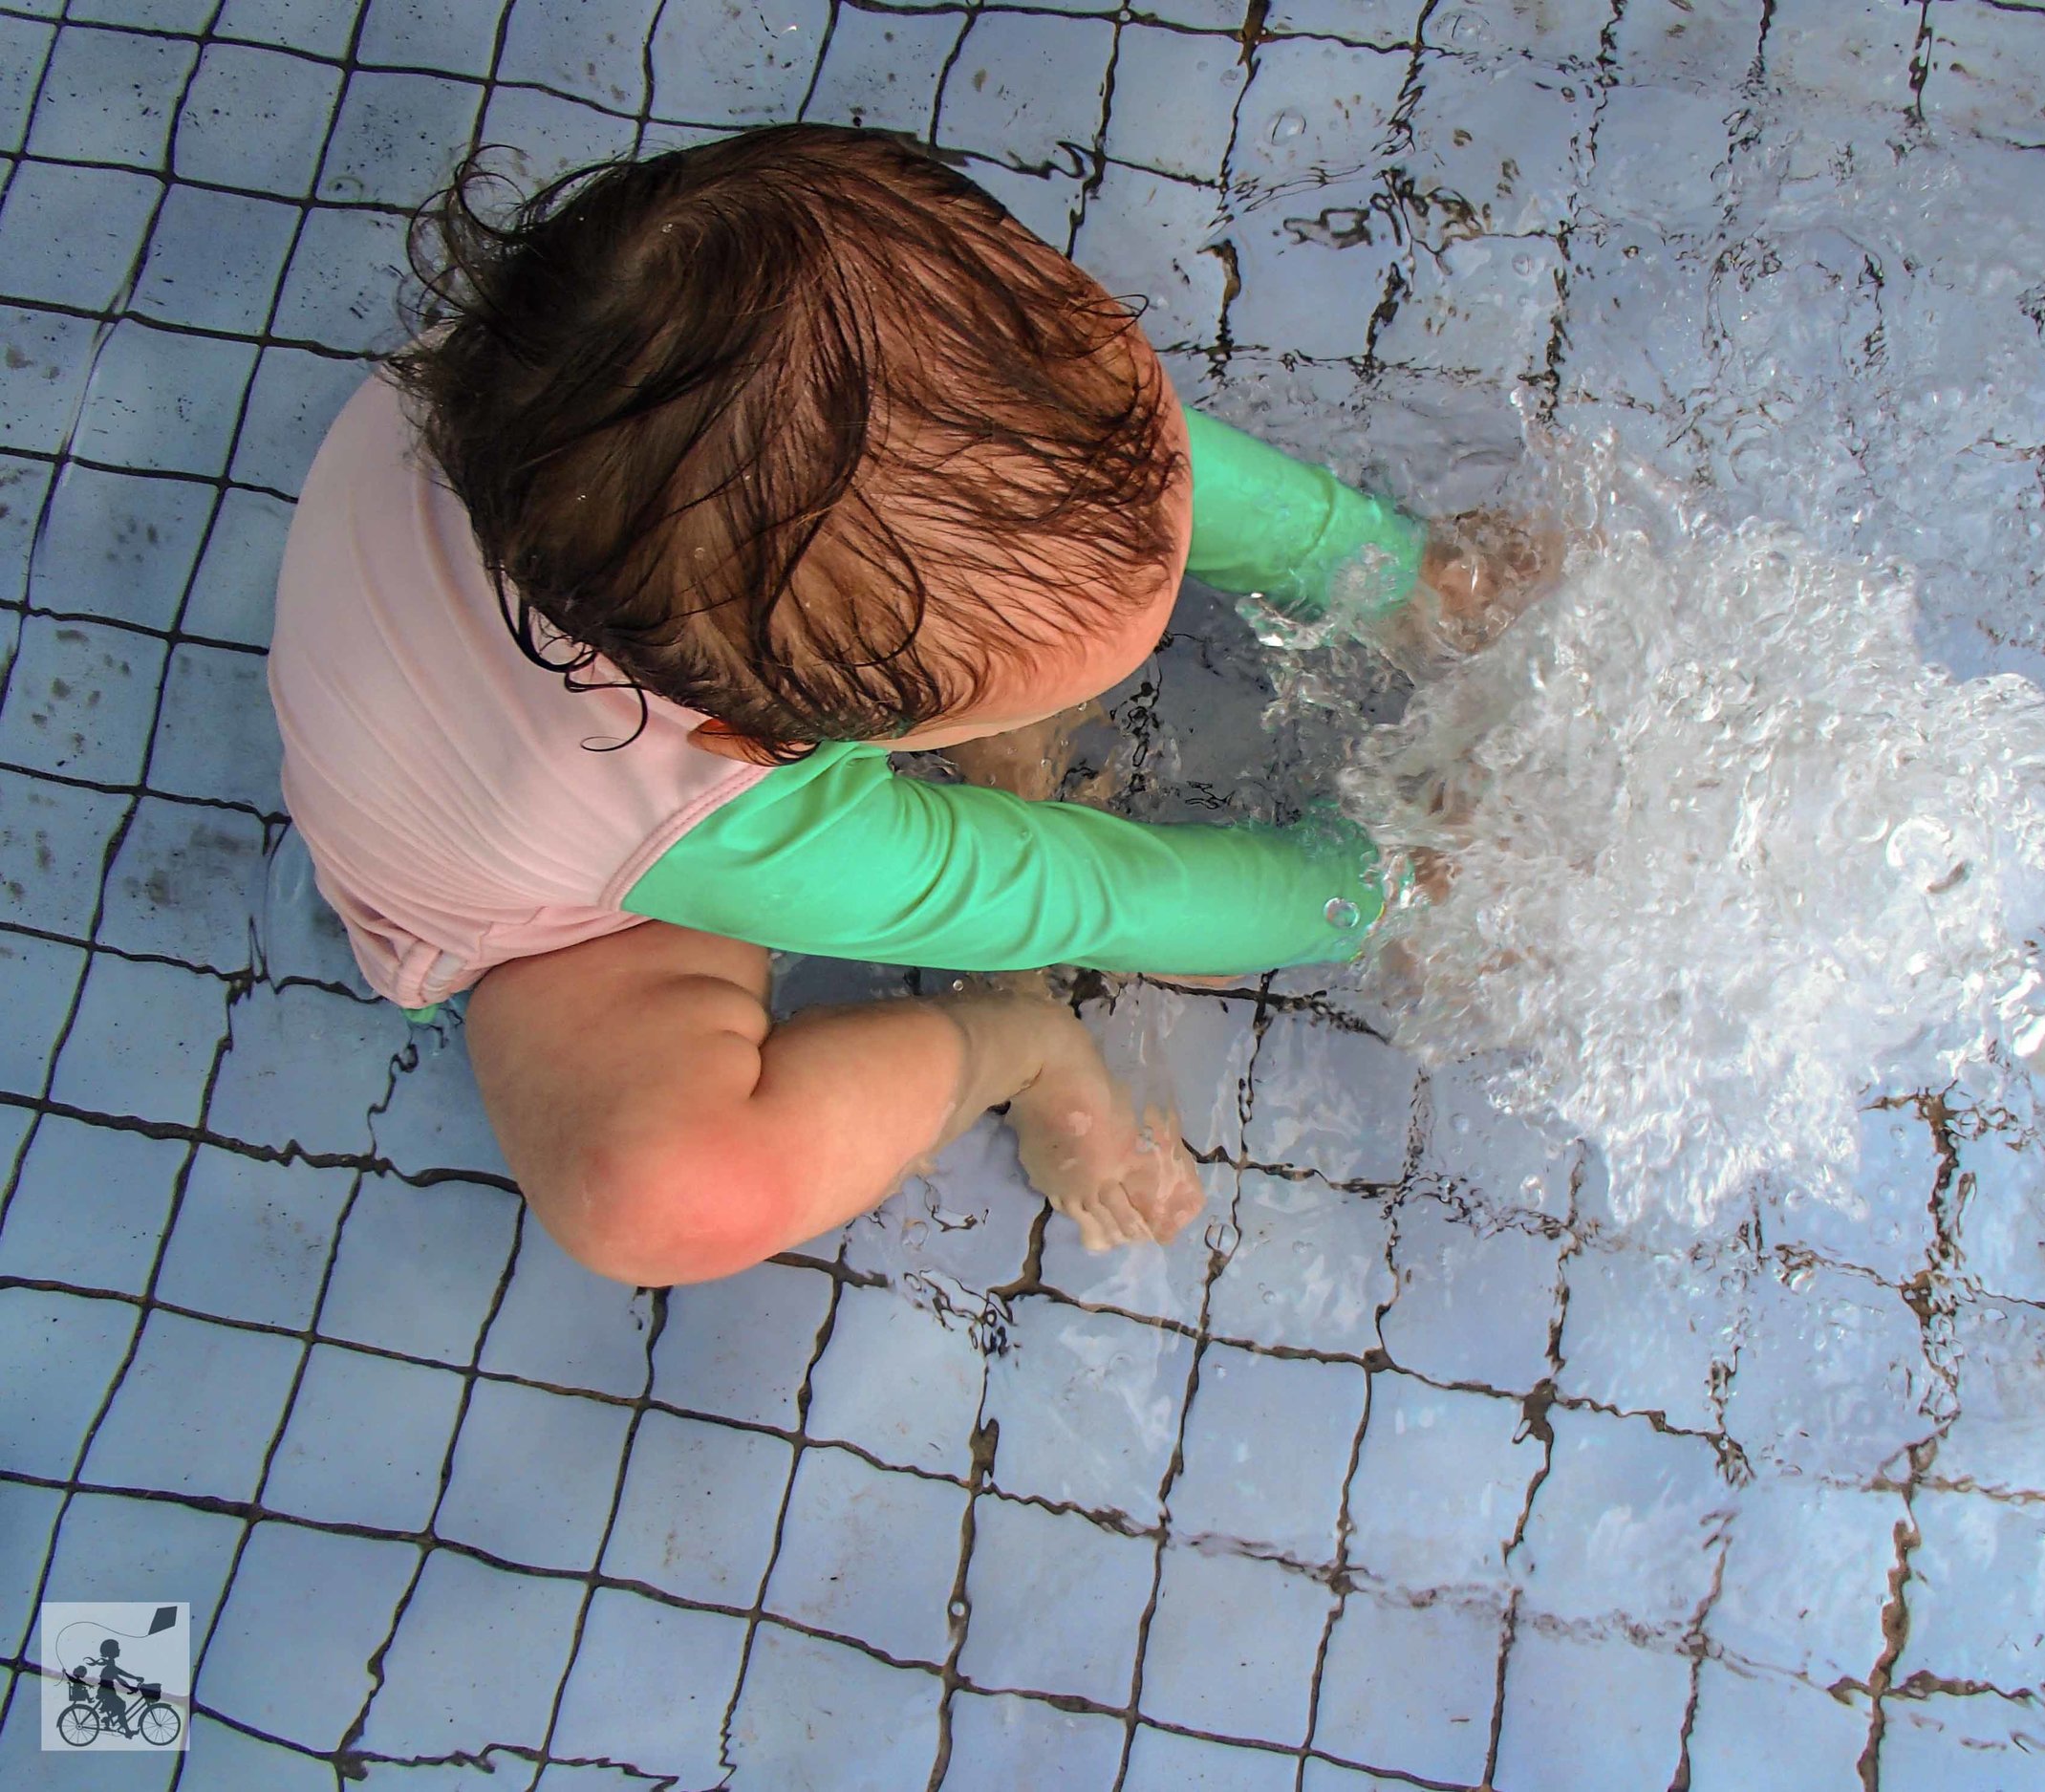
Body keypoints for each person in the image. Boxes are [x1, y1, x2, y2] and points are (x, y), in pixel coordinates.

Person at [269, 125, 1531, 1287]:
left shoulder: (628, 343)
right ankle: (1015, 1047)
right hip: (553, 904)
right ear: (777, 741)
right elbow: (1093, 893)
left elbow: (1085, 447)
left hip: (495, 664)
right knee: (659, 1196)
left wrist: (1404, 574)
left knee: (1013, 469)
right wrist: (1385, 882)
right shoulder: (719, 809)